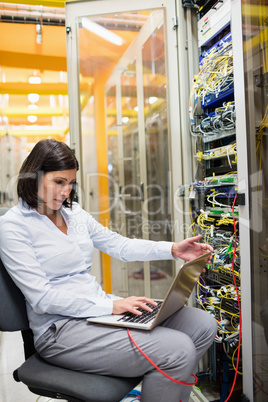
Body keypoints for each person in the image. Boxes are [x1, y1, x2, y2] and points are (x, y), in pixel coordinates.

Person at [0, 139, 217, 402]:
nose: (66, 191)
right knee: (177, 349)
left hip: (100, 312)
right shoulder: (13, 226)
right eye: (59, 182)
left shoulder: (74, 214)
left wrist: (173, 249)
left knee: (202, 325)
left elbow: (120, 245)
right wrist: (110, 307)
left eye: (71, 183)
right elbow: (43, 298)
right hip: (60, 330)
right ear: (34, 176)